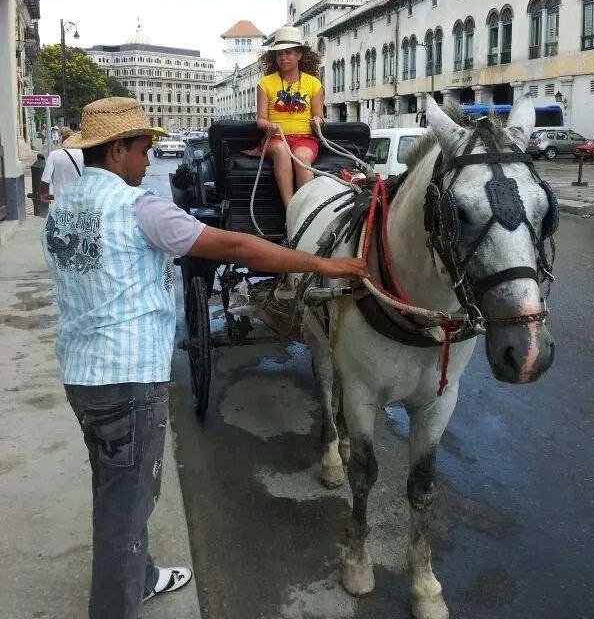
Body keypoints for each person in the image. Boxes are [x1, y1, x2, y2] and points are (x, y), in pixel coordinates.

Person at [42, 97, 367, 619]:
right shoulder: (138, 208)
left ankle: (142, 575)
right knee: (125, 509)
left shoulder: (61, 208)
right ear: (118, 149)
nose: (148, 162)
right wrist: (324, 265)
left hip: (82, 377)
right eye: (144, 150)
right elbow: (234, 248)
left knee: (115, 487)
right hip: (128, 383)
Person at [251, 25, 324, 207]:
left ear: (299, 55)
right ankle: (291, 209)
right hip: (275, 140)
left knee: (301, 157)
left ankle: (307, 211)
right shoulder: (265, 83)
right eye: (279, 54)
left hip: (305, 139)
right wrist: (270, 126)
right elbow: (260, 120)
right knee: (282, 150)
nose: (283, 58)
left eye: (288, 53)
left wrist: (317, 122)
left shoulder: (314, 83)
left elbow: (319, 116)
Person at [39, 126, 84, 203]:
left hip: (61, 201)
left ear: (61, 138)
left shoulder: (54, 155)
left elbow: (45, 179)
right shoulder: (82, 154)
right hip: (79, 198)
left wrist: (43, 194)